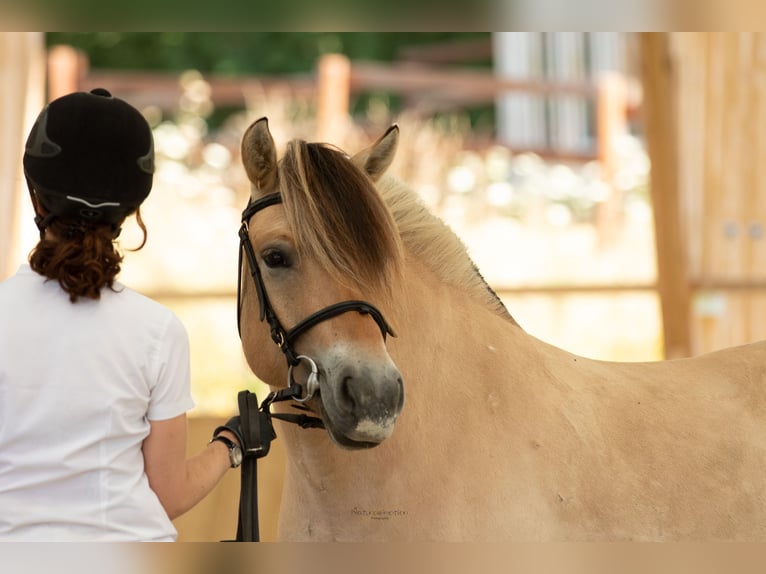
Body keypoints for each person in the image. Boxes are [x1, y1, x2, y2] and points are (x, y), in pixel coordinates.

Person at [0, 88, 243, 541]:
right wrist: (231, 446)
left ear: (37, 197)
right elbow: (167, 495)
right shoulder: (158, 332)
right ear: (132, 211)